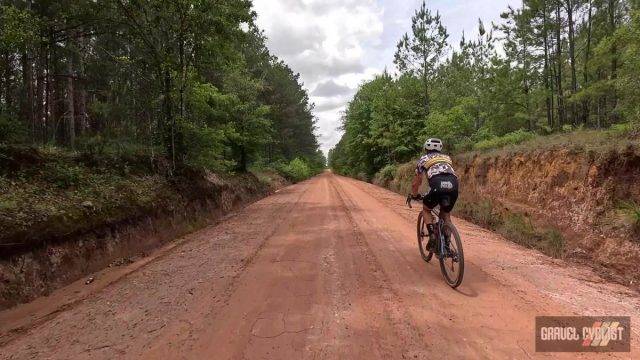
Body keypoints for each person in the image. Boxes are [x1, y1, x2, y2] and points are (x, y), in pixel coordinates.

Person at [410, 138, 459, 252]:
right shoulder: (447, 158)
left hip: (437, 184)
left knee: (426, 209)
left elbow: (417, 181)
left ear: (426, 148)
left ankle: (432, 235)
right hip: (453, 185)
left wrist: (415, 194)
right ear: (440, 148)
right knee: (446, 213)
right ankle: (447, 243)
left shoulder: (424, 158)